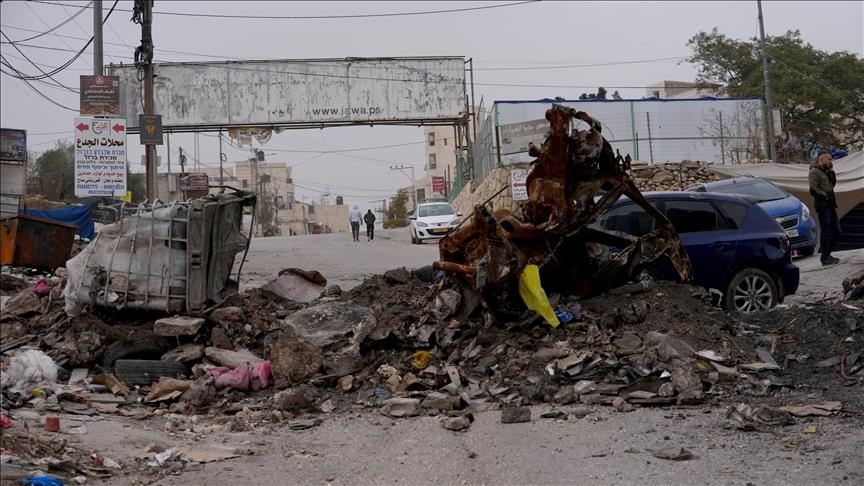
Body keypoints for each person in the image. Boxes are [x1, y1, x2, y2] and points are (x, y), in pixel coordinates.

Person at [809, 150, 841, 265]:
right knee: (826, 231)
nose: (831, 161)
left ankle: (827, 254)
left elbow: (832, 185)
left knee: (837, 232)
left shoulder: (826, 171)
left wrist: (831, 172)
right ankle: (825, 257)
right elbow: (813, 189)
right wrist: (826, 195)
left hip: (830, 204)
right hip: (823, 205)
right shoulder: (814, 171)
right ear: (822, 159)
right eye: (829, 159)